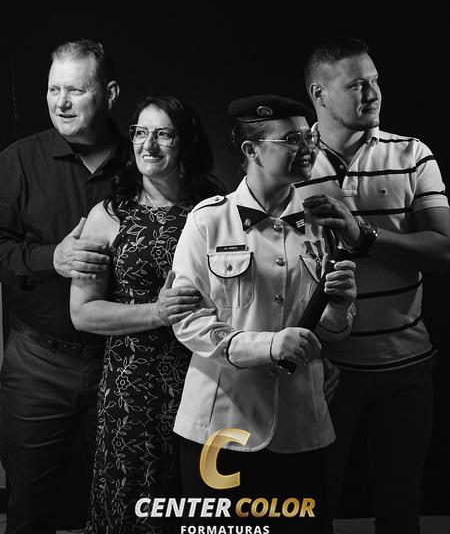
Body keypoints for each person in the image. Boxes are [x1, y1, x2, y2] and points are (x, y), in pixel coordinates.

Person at [170, 95, 359, 533]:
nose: (307, 148)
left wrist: (339, 306)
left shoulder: (321, 224)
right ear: (251, 150)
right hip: (221, 425)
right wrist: (268, 346)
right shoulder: (208, 220)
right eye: (291, 139)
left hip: (301, 426)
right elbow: (188, 320)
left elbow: (332, 332)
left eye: (309, 137)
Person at [300, 36, 450, 534]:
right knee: (312, 505)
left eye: (375, 80)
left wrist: (363, 236)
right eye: (356, 84)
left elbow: (444, 251)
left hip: (405, 367)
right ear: (320, 95)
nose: (373, 93)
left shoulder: (413, 154)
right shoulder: (290, 162)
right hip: (323, 370)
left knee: (401, 506)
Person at [70, 94, 224, 534]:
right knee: (132, 507)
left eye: (163, 134)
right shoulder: (108, 216)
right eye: (140, 132)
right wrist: (157, 312)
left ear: (186, 141)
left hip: (206, 378)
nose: (148, 145)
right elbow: (83, 313)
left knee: (201, 507)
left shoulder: (217, 210)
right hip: (132, 388)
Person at [0, 39, 125, 534]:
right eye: (54, 90)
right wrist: (52, 258)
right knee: (30, 508)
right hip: (38, 364)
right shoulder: (17, 161)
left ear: (110, 94)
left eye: (76, 90)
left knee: (120, 503)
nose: (62, 103)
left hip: (122, 363)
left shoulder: (145, 159)